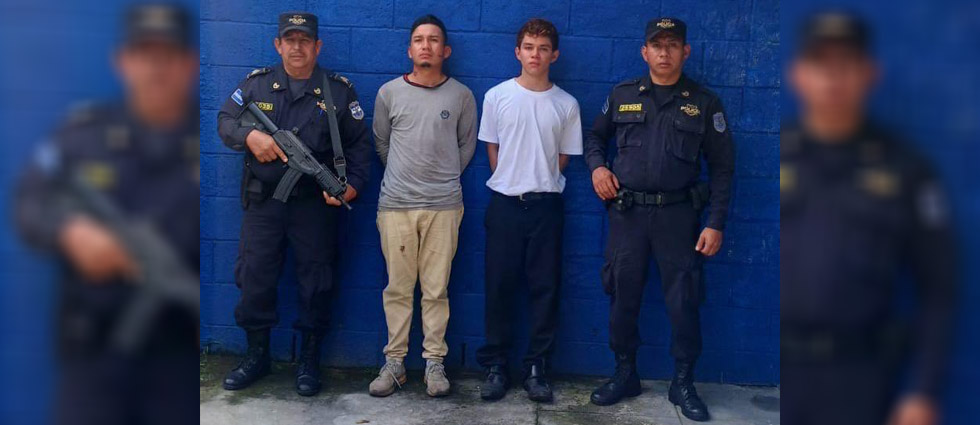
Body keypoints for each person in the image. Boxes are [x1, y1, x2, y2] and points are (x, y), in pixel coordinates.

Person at [13, 4, 199, 423]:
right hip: (93, 357)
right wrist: (68, 230)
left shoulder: (200, 138)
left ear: (188, 64)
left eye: (168, 56)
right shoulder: (83, 134)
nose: (156, 68)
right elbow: (30, 199)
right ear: (122, 62)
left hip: (178, 360)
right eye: (144, 55)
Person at [781, 11, 956, 425]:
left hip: (859, 380)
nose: (833, 77)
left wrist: (923, 390)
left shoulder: (907, 170)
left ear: (870, 73)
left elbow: (939, 289)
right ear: (798, 75)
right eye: (820, 63)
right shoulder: (779, 153)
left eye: (847, 64)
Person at [583, 17, 735, 422]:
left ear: (685, 51)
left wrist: (716, 222)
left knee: (684, 301)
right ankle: (625, 373)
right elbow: (595, 138)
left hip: (679, 217)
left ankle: (683, 382)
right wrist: (598, 168)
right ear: (644, 52)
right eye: (657, 45)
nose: (664, 52)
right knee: (622, 297)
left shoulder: (704, 103)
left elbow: (722, 168)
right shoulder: (623, 95)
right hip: (627, 215)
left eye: (672, 45)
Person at [215, 11, 372, 397]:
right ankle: (258, 355)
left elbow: (360, 146)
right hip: (264, 203)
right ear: (278, 45)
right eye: (290, 39)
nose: (297, 47)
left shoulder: (338, 92)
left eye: (305, 40)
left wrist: (351, 186)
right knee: (254, 276)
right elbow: (225, 120)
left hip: (314, 207)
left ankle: (309, 359)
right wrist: (251, 138)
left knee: (317, 282)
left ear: (317, 46)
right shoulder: (257, 85)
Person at [368, 14, 477, 398]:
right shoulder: (388, 93)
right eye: (419, 39)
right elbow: (381, 143)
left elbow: (466, 146)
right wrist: (406, 176)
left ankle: (434, 364)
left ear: (445, 50)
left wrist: (442, 176)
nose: (426, 45)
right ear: (409, 49)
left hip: (444, 206)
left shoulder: (461, 95)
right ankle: (395, 363)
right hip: (396, 205)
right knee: (398, 288)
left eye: (433, 40)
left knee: (436, 289)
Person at [475, 18, 582, 403]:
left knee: (545, 288)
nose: (535, 55)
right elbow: (492, 149)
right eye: (528, 47)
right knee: (499, 287)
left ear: (554, 54)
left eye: (543, 48)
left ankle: (537, 367)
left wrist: (538, 180)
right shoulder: (497, 96)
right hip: (504, 205)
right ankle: (496, 365)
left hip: (546, 208)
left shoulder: (566, 104)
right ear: (517, 51)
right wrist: (512, 179)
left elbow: (565, 156)